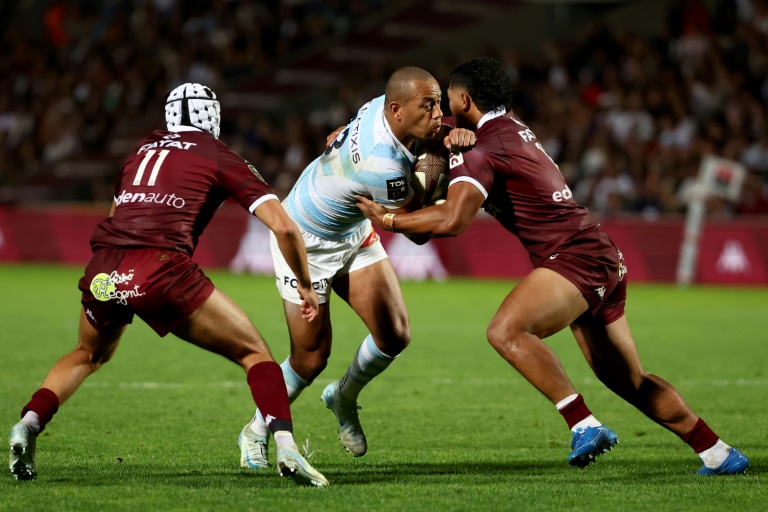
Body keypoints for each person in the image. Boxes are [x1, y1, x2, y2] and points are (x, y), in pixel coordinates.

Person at [356, 57, 749, 475]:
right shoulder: (509, 127)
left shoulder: (480, 149)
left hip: (574, 256)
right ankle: (718, 452)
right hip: (599, 253)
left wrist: (388, 218)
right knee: (628, 380)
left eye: (447, 102)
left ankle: (583, 423)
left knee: (506, 331)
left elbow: (453, 220)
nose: (440, 113)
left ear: (465, 99)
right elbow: (457, 142)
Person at [8, 83, 329, 487]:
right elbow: (283, 225)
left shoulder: (139, 151)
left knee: (87, 354)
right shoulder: (218, 154)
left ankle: (28, 424)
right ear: (211, 116)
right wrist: (304, 284)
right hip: (160, 267)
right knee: (255, 354)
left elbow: (116, 215)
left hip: (105, 269)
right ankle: (286, 446)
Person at [238, 66, 475, 467]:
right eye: (428, 106)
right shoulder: (384, 168)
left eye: (438, 104)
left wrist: (450, 132)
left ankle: (343, 397)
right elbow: (415, 229)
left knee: (395, 334)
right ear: (398, 110)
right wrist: (444, 155)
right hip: (304, 241)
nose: (438, 114)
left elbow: (362, 133)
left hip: (349, 229)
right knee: (311, 358)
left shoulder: (381, 105)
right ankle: (255, 431)